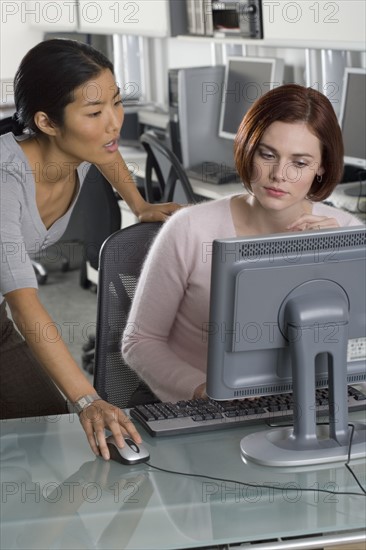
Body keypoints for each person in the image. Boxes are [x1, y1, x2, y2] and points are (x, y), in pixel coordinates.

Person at [122, 83, 364, 404]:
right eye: (268, 154)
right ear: (249, 150)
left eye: (300, 163)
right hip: (206, 408)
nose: (279, 174)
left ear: (321, 166)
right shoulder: (190, 229)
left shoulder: (346, 232)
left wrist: (332, 261)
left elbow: (355, 347)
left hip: (304, 407)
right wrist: (205, 392)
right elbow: (140, 341)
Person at [0, 38, 181, 460]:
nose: (113, 123)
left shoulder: (77, 145)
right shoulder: (5, 181)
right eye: (95, 113)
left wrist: (138, 204)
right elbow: (24, 303)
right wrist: (88, 399)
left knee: (41, 420)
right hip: (11, 312)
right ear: (47, 122)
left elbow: (108, 153)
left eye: (116, 103)